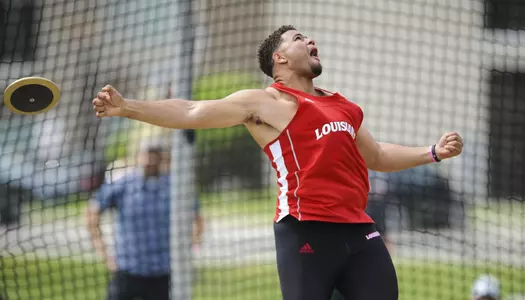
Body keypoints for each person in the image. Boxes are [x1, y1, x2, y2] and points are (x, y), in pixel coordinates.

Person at [91, 25, 464, 300]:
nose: (311, 41)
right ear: (279, 58)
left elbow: (378, 156)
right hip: (305, 230)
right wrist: (127, 108)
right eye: (300, 38)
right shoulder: (265, 102)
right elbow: (191, 109)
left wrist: (431, 152)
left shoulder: (343, 105)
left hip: (359, 231)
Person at [85, 141, 204, 300]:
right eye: (147, 157)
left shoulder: (174, 187)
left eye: (155, 157)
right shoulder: (123, 186)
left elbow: (197, 219)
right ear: (138, 157)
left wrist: (190, 247)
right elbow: (92, 213)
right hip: (127, 271)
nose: (150, 162)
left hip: (162, 275)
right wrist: (104, 254)